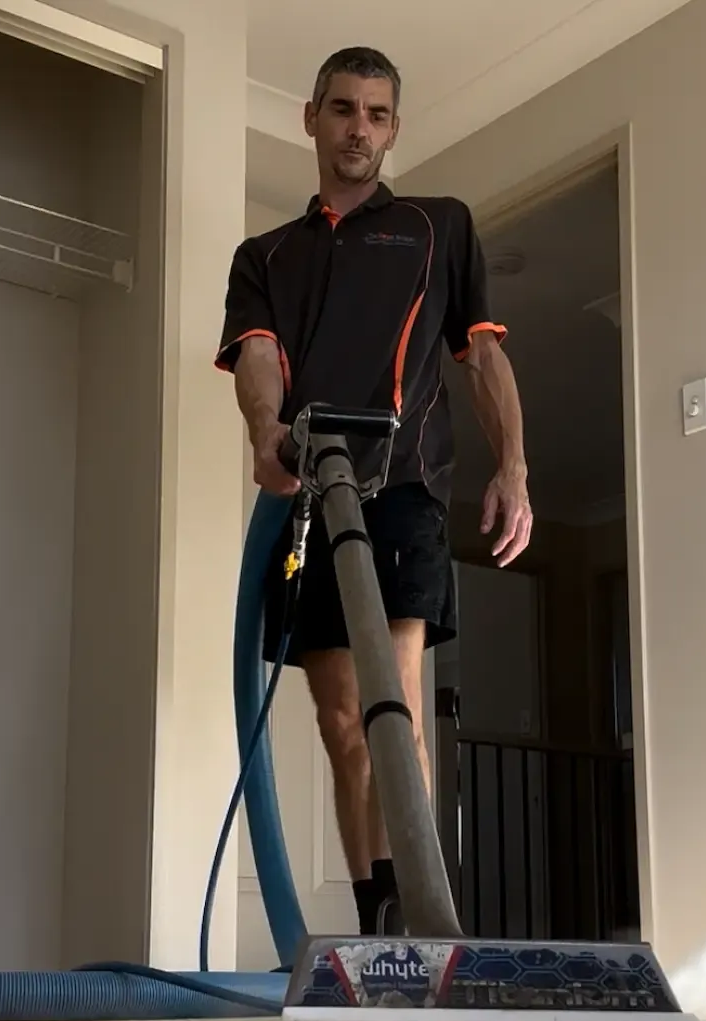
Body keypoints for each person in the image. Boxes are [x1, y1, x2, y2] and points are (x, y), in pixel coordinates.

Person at [214, 45, 532, 936]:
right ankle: (375, 920)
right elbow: (259, 356)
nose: (360, 128)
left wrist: (513, 468)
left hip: (402, 490)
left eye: (378, 114)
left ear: (393, 128)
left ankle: (429, 925)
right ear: (310, 116)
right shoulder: (265, 254)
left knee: (395, 708)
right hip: (310, 497)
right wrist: (265, 431)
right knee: (341, 718)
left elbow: (483, 354)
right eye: (345, 109)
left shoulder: (438, 224)